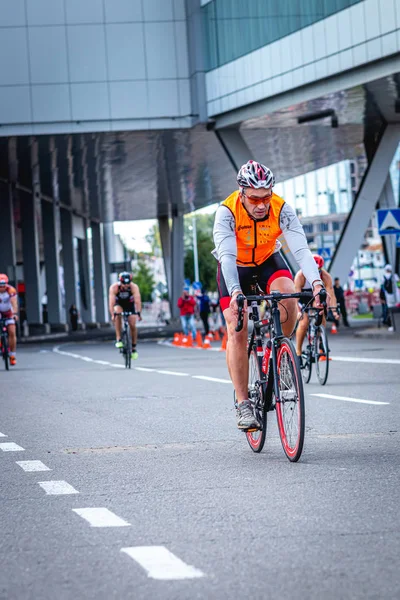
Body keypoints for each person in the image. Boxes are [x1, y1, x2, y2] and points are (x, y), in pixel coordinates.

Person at [213, 160, 325, 430]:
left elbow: (301, 251)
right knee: (236, 328)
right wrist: (237, 293)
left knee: (289, 295)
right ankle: (243, 403)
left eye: (266, 197)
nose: (262, 205)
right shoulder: (226, 212)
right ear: (242, 193)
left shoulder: (281, 209)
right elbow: (227, 257)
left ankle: (280, 353)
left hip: (267, 260)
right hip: (235, 268)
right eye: (254, 199)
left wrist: (318, 284)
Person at [294, 255, 339, 359]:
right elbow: (296, 298)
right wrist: (298, 312)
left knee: (320, 310)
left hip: (316, 296)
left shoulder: (325, 276)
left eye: (318, 270)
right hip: (302, 297)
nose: (316, 273)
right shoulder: (300, 276)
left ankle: (320, 340)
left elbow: (331, 295)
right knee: (304, 322)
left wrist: (334, 310)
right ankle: (298, 352)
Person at [108, 272, 142, 359]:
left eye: (128, 284)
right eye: (124, 284)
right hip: (119, 304)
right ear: (120, 282)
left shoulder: (134, 287)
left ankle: (133, 348)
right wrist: (113, 315)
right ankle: (119, 338)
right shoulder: (114, 287)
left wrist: (138, 313)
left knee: (132, 324)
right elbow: (111, 303)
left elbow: (137, 301)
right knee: (117, 314)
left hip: (129, 305)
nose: (126, 286)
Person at [0, 274, 19, 366]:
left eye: (3, 285)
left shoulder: (11, 290)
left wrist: (14, 314)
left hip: (8, 311)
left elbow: (14, 303)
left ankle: (12, 355)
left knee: (12, 331)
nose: (2, 287)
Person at [381, 264, 400, 331]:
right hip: (396, 296)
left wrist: (382, 297)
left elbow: (382, 288)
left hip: (388, 296)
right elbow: (399, 285)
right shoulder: (395, 276)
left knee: (390, 311)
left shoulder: (383, 277)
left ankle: (392, 324)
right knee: (398, 309)